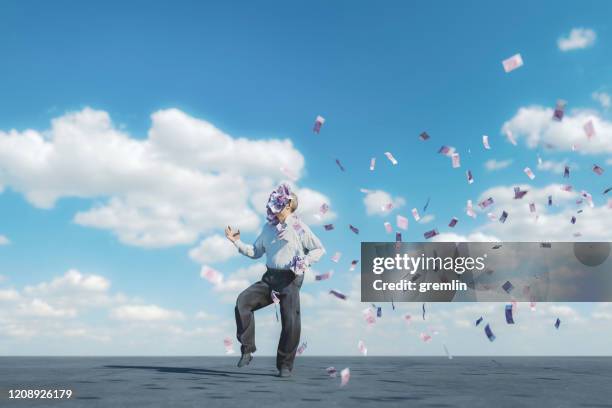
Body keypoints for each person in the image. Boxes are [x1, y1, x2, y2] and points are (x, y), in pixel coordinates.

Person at [225, 184, 325, 378]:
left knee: (291, 321)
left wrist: (304, 262)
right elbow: (255, 252)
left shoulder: (298, 227)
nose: (273, 206)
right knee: (243, 302)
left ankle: (285, 365)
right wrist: (236, 241)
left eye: (278, 203)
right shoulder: (268, 228)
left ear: (288, 205)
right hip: (270, 278)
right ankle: (247, 349)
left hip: (290, 279)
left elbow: (319, 249)